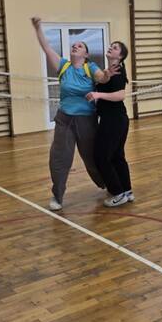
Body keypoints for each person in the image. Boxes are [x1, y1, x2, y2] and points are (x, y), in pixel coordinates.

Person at [31, 17, 110, 210]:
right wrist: (38, 27)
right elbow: (47, 48)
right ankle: (57, 196)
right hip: (64, 119)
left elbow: (102, 78)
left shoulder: (90, 68)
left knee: (91, 158)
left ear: (85, 54)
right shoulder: (64, 66)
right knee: (60, 158)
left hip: (86, 121)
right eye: (74, 45)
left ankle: (107, 184)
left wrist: (107, 75)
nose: (75, 46)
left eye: (80, 45)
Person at [86, 41, 134, 207]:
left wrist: (98, 95)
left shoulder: (118, 70)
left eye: (115, 48)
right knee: (117, 156)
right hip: (117, 120)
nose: (110, 48)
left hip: (113, 121)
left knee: (101, 157)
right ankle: (127, 190)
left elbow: (120, 95)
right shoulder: (110, 70)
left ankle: (118, 193)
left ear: (120, 56)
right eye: (111, 46)